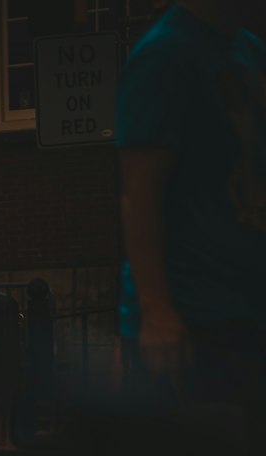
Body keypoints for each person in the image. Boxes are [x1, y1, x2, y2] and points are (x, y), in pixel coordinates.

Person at [116, 1, 266, 406]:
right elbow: (139, 193)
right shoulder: (166, 55)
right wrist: (156, 310)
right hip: (198, 321)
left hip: (247, 310)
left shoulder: (249, 51)